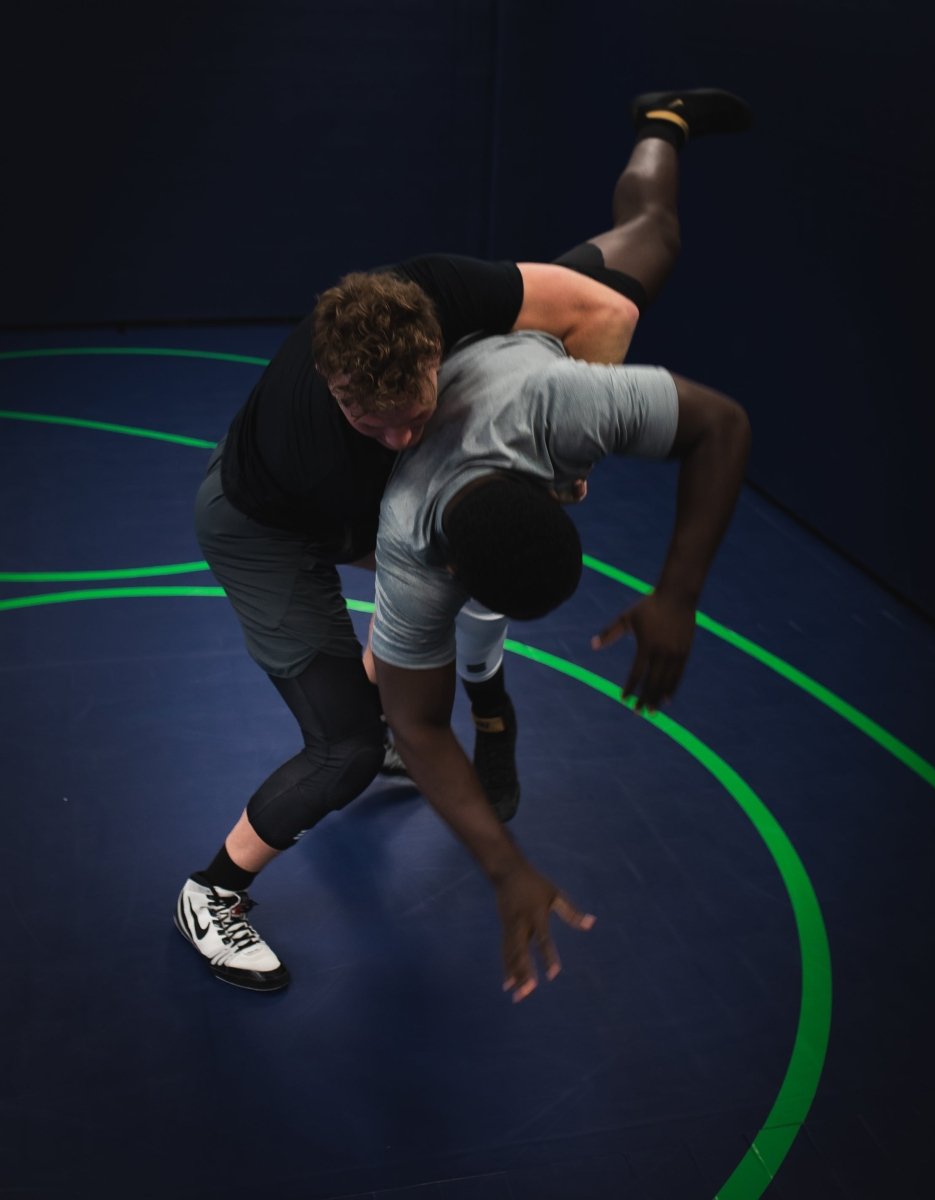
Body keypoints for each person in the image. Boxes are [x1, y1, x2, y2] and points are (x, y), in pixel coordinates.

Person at [174, 87, 752, 994]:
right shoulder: (360, 485)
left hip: (501, 418)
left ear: (435, 347)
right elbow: (406, 643)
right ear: (337, 391)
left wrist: (574, 469)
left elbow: (605, 320)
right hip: (268, 526)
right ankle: (210, 891)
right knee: (350, 746)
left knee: (650, 243)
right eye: (376, 425)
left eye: (413, 413)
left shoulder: (448, 300)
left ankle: (663, 122)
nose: (399, 436)